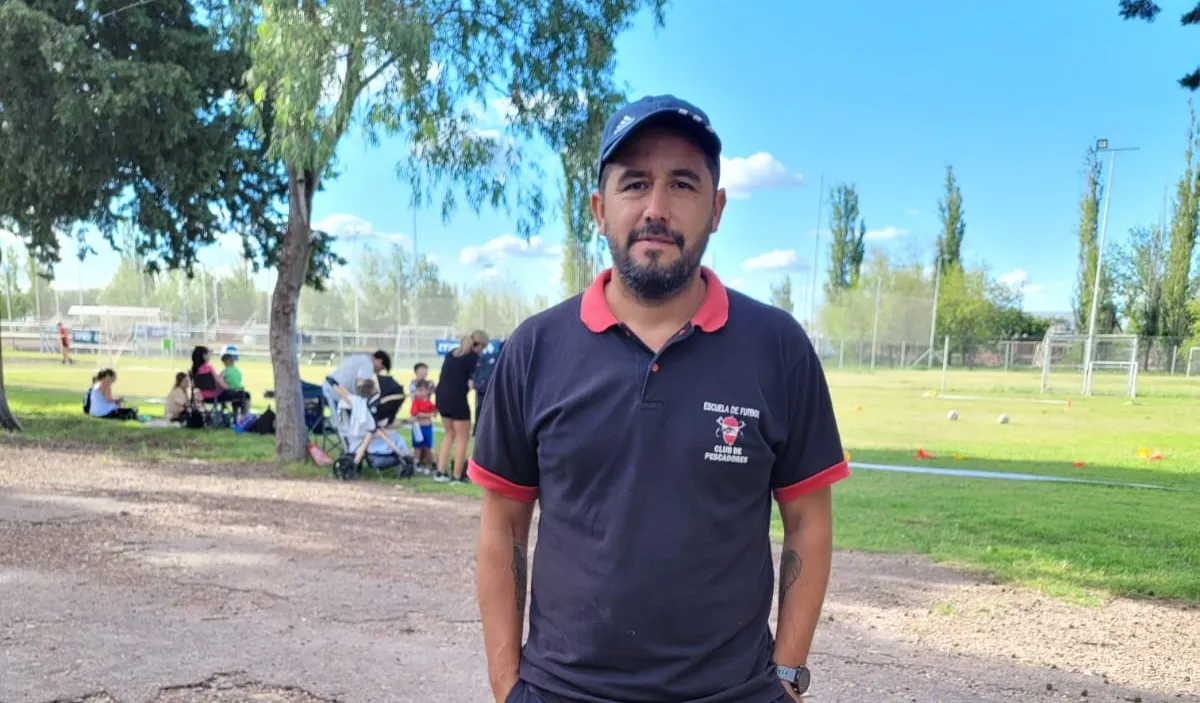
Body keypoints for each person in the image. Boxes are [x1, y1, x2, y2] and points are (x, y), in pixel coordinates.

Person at [468, 95, 849, 703]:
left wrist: (787, 676)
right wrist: (506, 687)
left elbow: (808, 521)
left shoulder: (777, 347)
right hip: (561, 691)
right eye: (635, 183)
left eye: (682, 184)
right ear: (599, 209)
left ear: (716, 209)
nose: (656, 208)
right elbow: (504, 526)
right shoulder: (535, 348)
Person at [434, 330, 487, 483]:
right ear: (479, 345)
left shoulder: (451, 354)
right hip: (457, 399)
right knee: (462, 437)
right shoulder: (473, 358)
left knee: (449, 433)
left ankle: (440, 472)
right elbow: (471, 383)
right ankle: (457, 475)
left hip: (442, 397)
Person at [322, 350, 391, 431]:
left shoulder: (358, 357)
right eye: (381, 368)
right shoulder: (368, 364)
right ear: (380, 361)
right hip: (336, 394)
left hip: (328, 388)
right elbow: (363, 387)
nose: (379, 372)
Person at [190, 346, 249, 417]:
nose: (209, 356)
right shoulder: (208, 368)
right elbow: (223, 385)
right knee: (245, 394)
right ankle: (244, 416)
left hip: (203, 397)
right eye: (208, 354)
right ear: (204, 356)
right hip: (216, 396)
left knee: (236, 394)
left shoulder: (193, 370)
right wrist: (232, 388)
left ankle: (236, 415)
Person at [470, 338, 503, 435]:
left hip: (486, 386)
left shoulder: (489, 356)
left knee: (487, 409)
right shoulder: (484, 357)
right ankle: (480, 429)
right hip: (485, 387)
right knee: (482, 408)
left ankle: (483, 429)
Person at [408, 379, 437, 472]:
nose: (418, 393)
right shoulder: (416, 402)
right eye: (417, 390)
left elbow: (435, 411)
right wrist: (428, 415)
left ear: (427, 391)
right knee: (417, 446)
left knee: (428, 446)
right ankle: (417, 462)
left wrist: (433, 413)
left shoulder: (428, 402)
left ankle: (433, 463)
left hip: (427, 427)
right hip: (418, 428)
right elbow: (416, 414)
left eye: (421, 390)